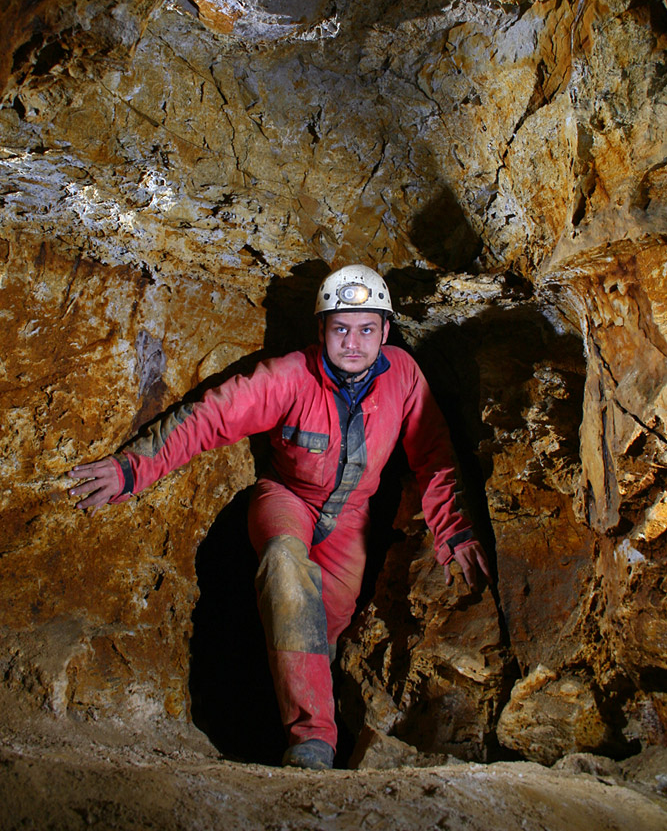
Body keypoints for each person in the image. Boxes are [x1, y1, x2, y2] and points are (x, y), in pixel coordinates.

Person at [68, 264, 491, 770]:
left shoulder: (402, 376)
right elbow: (210, 417)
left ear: (385, 330)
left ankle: (291, 725)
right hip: (287, 498)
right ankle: (312, 744)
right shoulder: (289, 377)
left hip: (351, 522)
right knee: (285, 566)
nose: (352, 343)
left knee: (319, 637)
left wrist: (454, 530)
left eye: (366, 329)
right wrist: (132, 469)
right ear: (320, 330)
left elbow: (433, 452)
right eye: (340, 328)